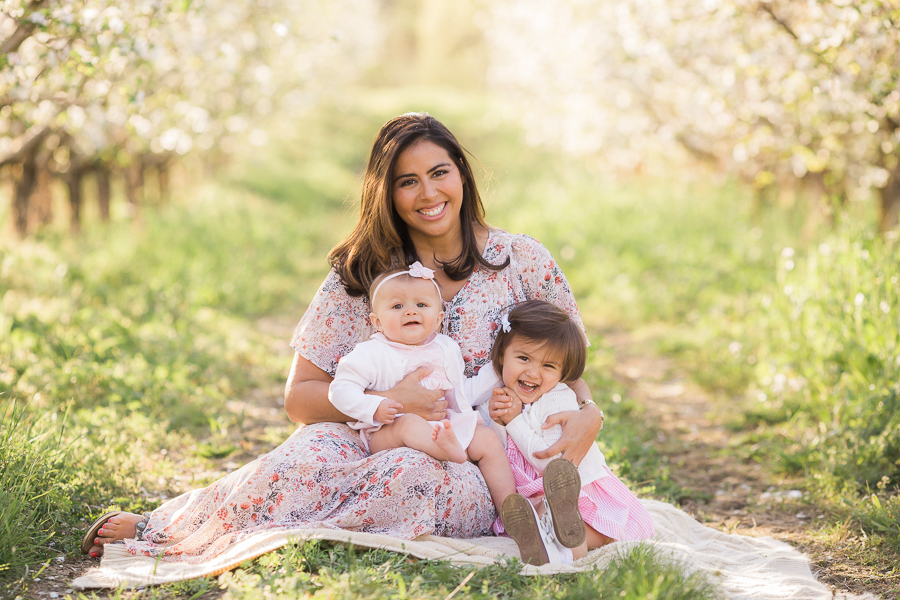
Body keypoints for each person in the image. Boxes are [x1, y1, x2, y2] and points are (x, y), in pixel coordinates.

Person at [82, 112, 606, 564]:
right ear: (387, 191)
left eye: (439, 173)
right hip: (363, 433)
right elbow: (300, 398)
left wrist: (590, 412)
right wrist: (389, 403)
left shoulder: (524, 261)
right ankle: (169, 527)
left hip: (479, 456)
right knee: (300, 461)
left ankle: (506, 516)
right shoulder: (362, 274)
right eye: (407, 181)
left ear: (462, 175)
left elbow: (569, 363)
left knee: (408, 477)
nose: (428, 193)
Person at [328, 262, 515, 510]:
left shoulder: (446, 348)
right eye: (397, 306)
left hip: (442, 427)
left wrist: (498, 368)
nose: (410, 312)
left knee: (488, 439)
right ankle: (447, 451)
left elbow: (462, 393)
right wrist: (375, 406)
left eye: (421, 305)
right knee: (409, 423)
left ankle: (511, 508)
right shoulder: (371, 352)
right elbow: (340, 389)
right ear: (377, 322)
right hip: (387, 432)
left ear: (438, 319)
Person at [485, 300, 655, 565]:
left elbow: (550, 462)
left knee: (603, 530)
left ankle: (571, 542)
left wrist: (514, 421)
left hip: (574, 489)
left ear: (564, 373)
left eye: (548, 366)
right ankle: (548, 536)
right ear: (501, 356)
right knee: (540, 512)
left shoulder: (558, 400)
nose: (533, 373)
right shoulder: (501, 395)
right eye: (524, 358)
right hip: (541, 497)